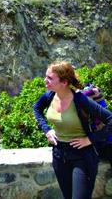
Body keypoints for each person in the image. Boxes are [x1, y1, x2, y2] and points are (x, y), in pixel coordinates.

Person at [33, 61, 112, 199]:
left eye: (50, 78)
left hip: (82, 156)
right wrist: (46, 130)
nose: (45, 80)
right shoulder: (50, 96)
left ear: (64, 82)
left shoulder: (80, 99)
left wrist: (90, 139)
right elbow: (36, 109)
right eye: (46, 76)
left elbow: (110, 119)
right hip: (59, 155)